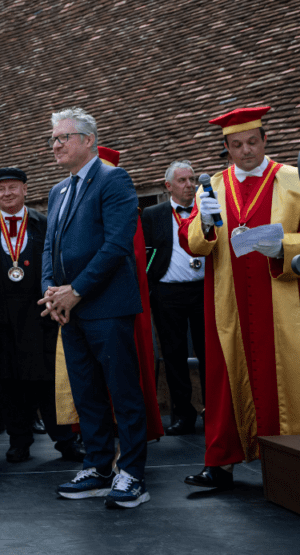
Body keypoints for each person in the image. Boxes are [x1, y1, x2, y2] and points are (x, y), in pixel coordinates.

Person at [181, 106, 300, 490]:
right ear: (227, 149)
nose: (246, 150)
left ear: (265, 140)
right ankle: (220, 463)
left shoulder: (293, 180)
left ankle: (291, 462)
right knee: (222, 381)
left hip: (281, 301)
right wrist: (202, 222)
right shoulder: (211, 187)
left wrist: (282, 245)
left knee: (289, 378)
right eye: (237, 145)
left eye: (252, 142)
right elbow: (194, 246)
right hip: (227, 301)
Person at [40, 108, 149, 509]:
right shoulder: (58, 191)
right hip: (70, 312)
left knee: (123, 392)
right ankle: (100, 467)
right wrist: (51, 293)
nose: (55, 145)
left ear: (88, 140)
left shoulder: (113, 179)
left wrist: (77, 291)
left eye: (63, 137)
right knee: (86, 395)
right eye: (53, 138)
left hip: (107, 307)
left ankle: (133, 473)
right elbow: (50, 247)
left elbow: (117, 244)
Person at [0, 167, 84, 464]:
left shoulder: (44, 224)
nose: (7, 193)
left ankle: (65, 441)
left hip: (40, 314)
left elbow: (59, 262)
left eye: (13, 187)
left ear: (25, 190)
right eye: (1, 189)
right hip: (1, 319)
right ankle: (19, 441)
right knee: (8, 382)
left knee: (47, 380)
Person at [141, 160, 205, 436]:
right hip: (167, 293)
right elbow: (144, 252)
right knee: (174, 355)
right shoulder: (153, 214)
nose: (189, 185)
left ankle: (214, 410)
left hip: (204, 289)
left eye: (192, 179)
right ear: (168, 186)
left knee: (209, 353)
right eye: (182, 180)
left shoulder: (207, 208)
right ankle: (182, 415)